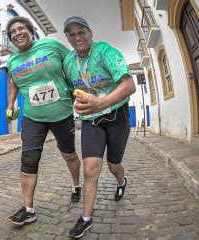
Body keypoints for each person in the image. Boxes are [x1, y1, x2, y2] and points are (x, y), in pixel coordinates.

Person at [62, 16, 136, 238]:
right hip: (91, 121)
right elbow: (69, 91)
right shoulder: (68, 62)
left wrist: (102, 102)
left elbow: (129, 84)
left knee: (114, 166)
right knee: (90, 170)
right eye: (71, 34)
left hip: (116, 117)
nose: (77, 37)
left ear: (90, 33)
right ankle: (86, 218)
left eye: (81, 31)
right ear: (67, 38)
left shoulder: (105, 52)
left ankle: (121, 181)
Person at [5, 16, 82, 226]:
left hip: (61, 113)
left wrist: (79, 90)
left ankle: (76, 185)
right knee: (28, 159)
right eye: (12, 32)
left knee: (69, 155)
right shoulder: (13, 60)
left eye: (21, 28)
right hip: (33, 116)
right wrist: (10, 103)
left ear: (31, 31)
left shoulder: (50, 45)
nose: (17, 33)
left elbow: (74, 62)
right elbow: (13, 80)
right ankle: (28, 209)